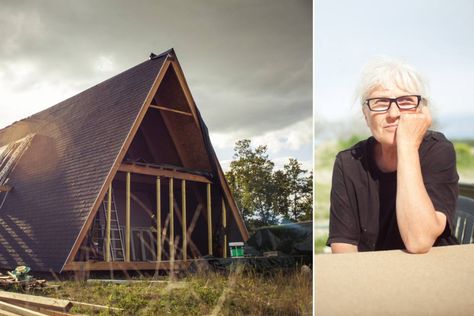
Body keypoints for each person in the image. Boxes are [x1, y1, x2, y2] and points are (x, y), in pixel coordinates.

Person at [327, 57, 459, 254]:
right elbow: (344, 245)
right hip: (374, 274)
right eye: (380, 103)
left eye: (405, 101)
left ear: (421, 110)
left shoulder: (438, 150)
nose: (393, 113)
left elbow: (419, 241)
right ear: (365, 114)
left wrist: (406, 145)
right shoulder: (348, 163)